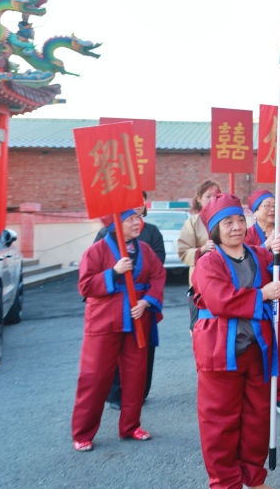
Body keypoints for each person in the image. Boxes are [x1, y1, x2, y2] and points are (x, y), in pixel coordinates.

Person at [192, 193, 280, 489]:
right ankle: (223, 487)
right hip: (221, 351)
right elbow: (220, 300)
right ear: (215, 229)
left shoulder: (257, 254)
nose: (236, 227)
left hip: (256, 349)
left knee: (257, 418)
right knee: (220, 422)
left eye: (240, 220)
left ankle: (250, 479)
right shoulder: (208, 262)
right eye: (227, 222)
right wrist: (262, 295)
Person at [72, 207, 165, 452]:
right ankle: (82, 432)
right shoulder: (97, 251)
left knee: (135, 375)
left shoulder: (144, 250)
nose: (138, 222)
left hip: (137, 320)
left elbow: (158, 276)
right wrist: (113, 273)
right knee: (94, 377)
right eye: (130, 219)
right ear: (115, 224)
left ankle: (130, 425)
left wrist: (147, 302)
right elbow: (85, 286)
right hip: (104, 322)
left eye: (138, 217)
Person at [93, 192, 166, 410]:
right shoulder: (105, 234)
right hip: (115, 301)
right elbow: (95, 270)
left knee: (144, 348)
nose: (136, 212)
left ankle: (140, 392)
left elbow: (158, 265)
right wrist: (117, 274)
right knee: (115, 350)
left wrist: (146, 298)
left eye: (139, 205)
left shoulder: (151, 232)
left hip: (143, 301)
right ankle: (115, 394)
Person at [244, 189, 280, 414]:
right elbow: (243, 262)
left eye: (274, 205)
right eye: (266, 205)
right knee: (256, 347)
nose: (271, 209)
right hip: (258, 300)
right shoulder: (247, 235)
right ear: (255, 211)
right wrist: (266, 247)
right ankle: (258, 393)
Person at [178, 180, 221, 330]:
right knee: (199, 326)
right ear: (199, 199)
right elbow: (183, 251)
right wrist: (201, 250)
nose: (211, 200)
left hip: (223, 280)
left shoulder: (225, 220)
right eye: (207, 196)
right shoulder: (192, 222)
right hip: (199, 282)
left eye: (216, 196)